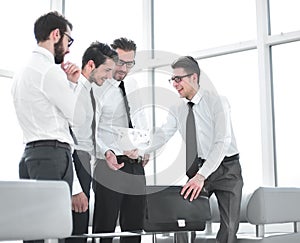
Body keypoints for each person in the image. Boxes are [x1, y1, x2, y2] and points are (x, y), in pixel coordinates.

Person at [145, 56, 243, 243]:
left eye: (178, 79)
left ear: (194, 78)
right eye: (172, 79)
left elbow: (222, 142)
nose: (174, 84)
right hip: (199, 167)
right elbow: (163, 134)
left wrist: (201, 177)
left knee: (229, 227)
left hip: (227, 169)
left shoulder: (218, 102)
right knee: (183, 218)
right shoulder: (177, 108)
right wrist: (145, 151)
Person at [11, 11, 84, 243]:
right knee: (54, 230)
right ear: (56, 35)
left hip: (30, 156)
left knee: (33, 231)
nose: (69, 48)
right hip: (53, 155)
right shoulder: (49, 71)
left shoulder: (21, 72)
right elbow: (78, 117)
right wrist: (73, 85)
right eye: (68, 41)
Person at [92, 37, 149, 243]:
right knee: (105, 228)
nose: (124, 68)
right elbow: (91, 130)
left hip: (135, 166)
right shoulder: (98, 87)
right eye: (120, 62)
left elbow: (141, 120)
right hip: (110, 165)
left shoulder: (132, 84)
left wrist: (145, 149)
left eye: (129, 63)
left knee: (134, 230)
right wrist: (106, 151)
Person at [66, 42, 118, 243]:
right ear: (90, 65)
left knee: (81, 227)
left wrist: (105, 152)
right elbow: (69, 139)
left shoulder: (92, 93)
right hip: (77, 161)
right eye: (106, 70)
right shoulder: (75, 92)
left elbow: (90, 134)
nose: (108, 76)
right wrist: (75, 186)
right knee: (76, 228)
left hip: (86, 161)